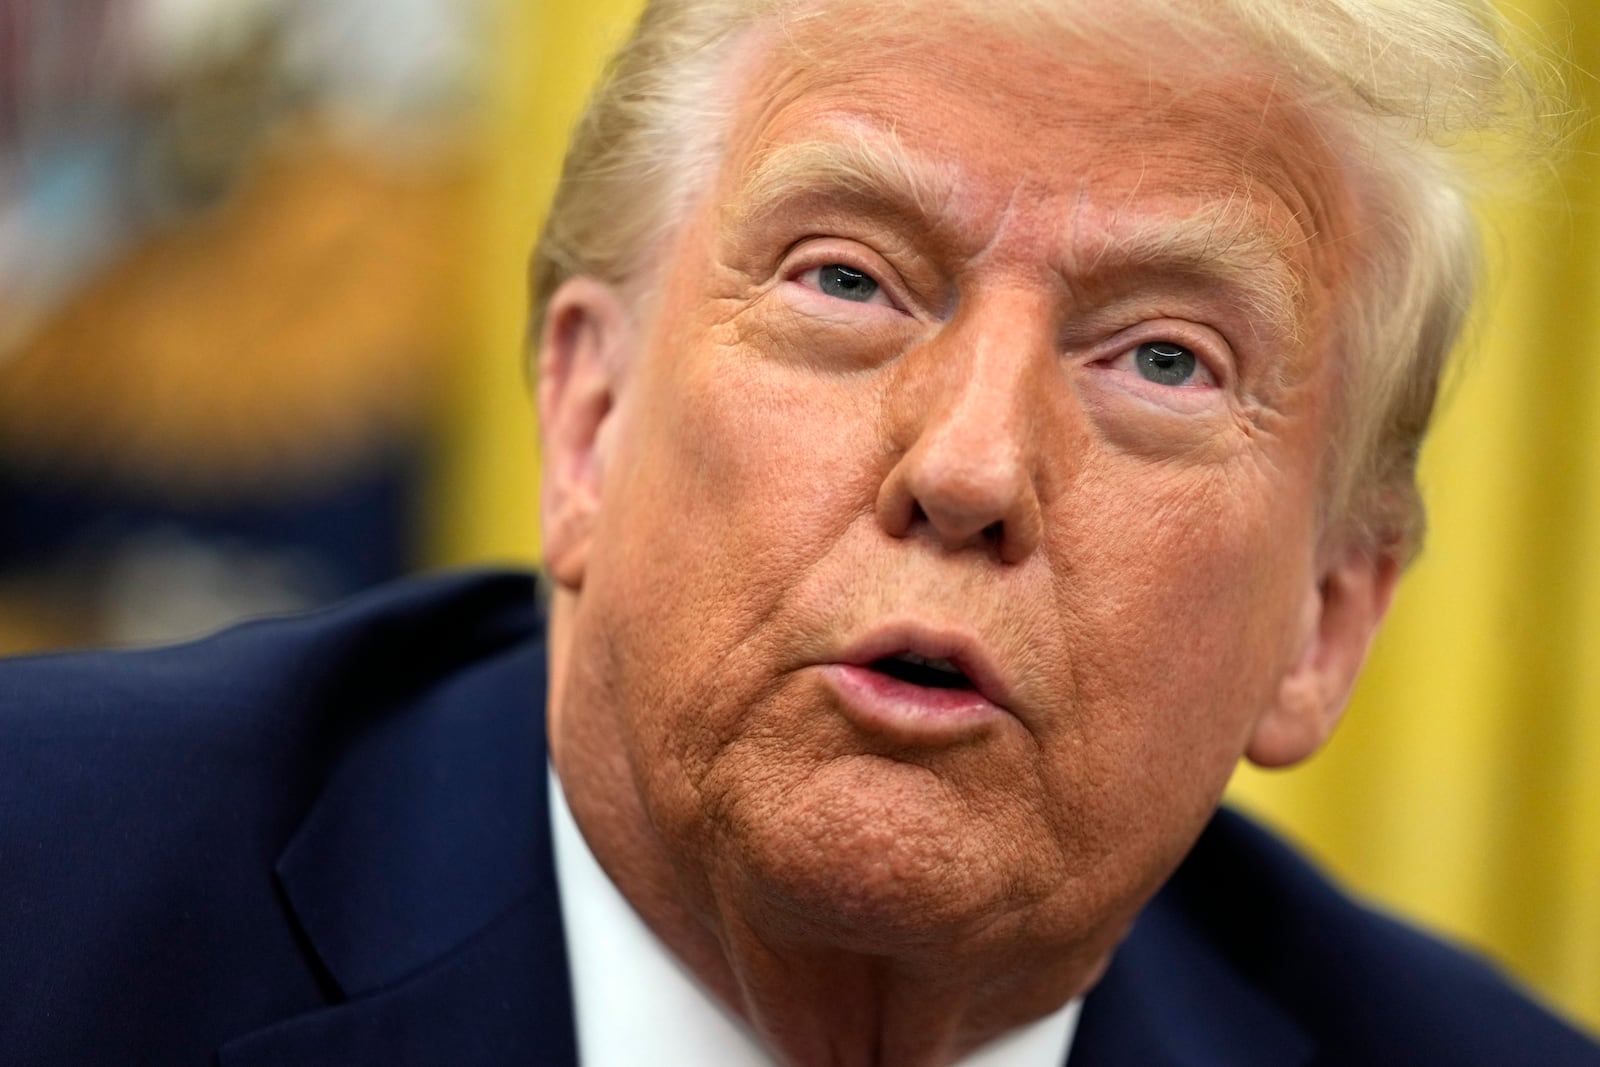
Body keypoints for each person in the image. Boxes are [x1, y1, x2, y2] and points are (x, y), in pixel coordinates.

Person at [2, 0, 1598, 1064]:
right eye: (846, 278)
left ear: (1325, 623)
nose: (970, 467)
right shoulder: (44, 894)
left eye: (1167, 360)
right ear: (589, 420)